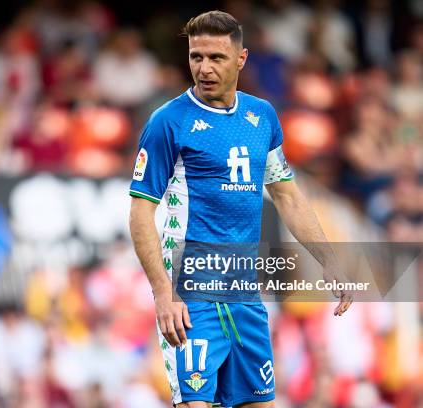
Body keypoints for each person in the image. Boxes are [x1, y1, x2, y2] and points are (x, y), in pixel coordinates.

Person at [128, 11, 352, 408]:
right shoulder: (168, 122)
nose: (204, 68)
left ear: (241, 59)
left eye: (216, 58)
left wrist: (329, 259)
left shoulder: (262, 116)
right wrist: (163, 292)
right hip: (191, 291)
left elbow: (288, 196)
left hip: (245, 290)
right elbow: (141, 211)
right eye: (197, 57)